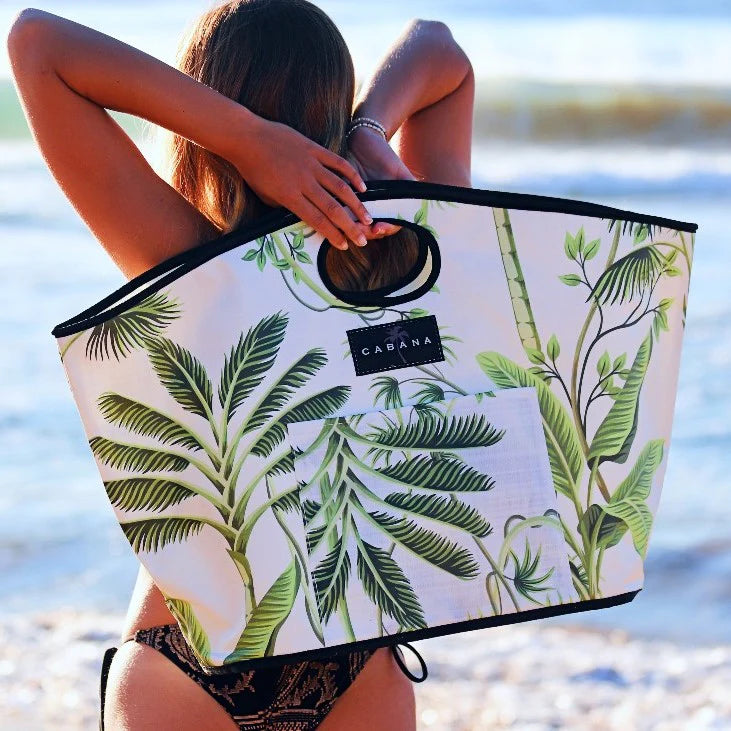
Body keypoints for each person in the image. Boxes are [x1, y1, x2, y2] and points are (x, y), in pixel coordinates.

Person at [7, 1, 474, 728]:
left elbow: (37, 44)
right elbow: (441, 53)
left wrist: (247, 139)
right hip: (358, 659)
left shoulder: (186, 263)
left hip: (189, 654)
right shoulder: (414, 252)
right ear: (332, 106)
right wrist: (367, 129)